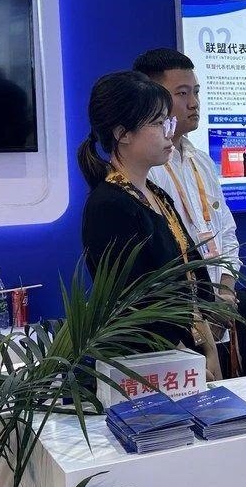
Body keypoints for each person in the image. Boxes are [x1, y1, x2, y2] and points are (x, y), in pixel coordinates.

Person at [134, 48, 246, 375]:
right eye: (182, 94)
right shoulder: (147, 171)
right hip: (181, 312)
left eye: (196, 92)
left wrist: (225, 289)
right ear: (152, 100)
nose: (194, 103)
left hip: (220, 300)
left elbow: (226, 232)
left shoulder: (202, 161)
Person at [78, 70, 224, 379]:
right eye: (158, 123)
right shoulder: (109, 205)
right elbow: (137, 305)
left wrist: (209, 349)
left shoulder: (156, 194)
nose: (169, 132)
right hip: (151, 364)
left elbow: (191, 276)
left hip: (189, 354)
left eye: (168, 122)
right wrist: (188, 360)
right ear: (123, 134)